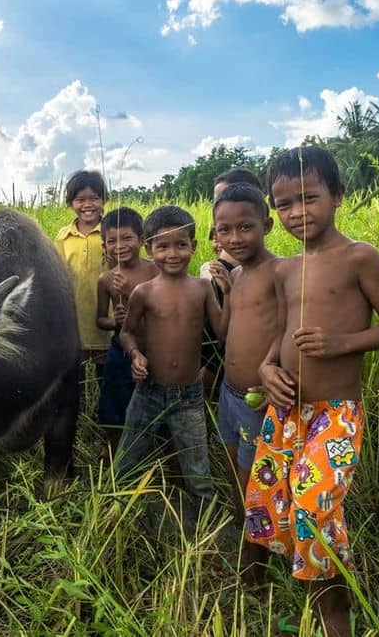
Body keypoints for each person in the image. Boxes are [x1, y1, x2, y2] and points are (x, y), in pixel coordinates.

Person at [244, 146, 379, 636]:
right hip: (286, 414)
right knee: (270, 504)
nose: (297, 213)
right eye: (284, 205)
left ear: (338, 195)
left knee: (314, 509)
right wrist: (267, 365)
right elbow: (281, 333)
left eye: (308, 198)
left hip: (334, 414)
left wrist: (342, 344)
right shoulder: (284, 270)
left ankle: (337, 619)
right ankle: (286, 598)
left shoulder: (360, 257)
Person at [115, 206, 228, 531]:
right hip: (148, 391)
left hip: (189, 397)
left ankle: (206, 535)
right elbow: (127, 332)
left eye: (181, 245)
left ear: (193, 246)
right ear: (149, 249)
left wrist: (229, 295)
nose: (172, 253)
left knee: (198, 471)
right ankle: (117, 522)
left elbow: (221, 333)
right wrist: (135, 355)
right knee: (127, 462)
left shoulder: (203, 288)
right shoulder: (144, 292)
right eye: (162, 247)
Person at [212, 183, 279, 518]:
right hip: (229, 391)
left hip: (258, 396)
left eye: (245, 227)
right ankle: (244, 524)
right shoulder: (235, 274)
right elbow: (224, 333)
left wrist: (278, 378)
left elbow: (291, 331)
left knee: (252, 473)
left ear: (266, 225)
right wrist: (225, 292)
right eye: (225, 230)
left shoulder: (280, 272)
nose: (234, 238)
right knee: (231, 459)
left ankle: (252, 543)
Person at [95, 207, 158, 456]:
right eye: (111, 240)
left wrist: (132, 292)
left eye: (127, 238)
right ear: (104, 245)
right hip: (120, 351)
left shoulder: (155, 270)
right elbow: (100, 319)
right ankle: (114, 448)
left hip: (153, 348)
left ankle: (151, 449)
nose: (119, 246)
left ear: (142, 240)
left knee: (152, 401)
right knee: (115, 402)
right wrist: (114, 320)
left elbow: (165, 310)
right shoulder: (106, 279)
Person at [200, 168, 264, 397]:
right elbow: (215, 334)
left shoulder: (271, 272)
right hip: (218, 381)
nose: (223, 205)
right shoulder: (216, 273)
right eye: (217, 199)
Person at [54, 170, 111, 386]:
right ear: (71, 203)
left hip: (106, 318)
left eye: (94, 198)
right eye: (80, 200)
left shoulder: (111, 232)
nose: (88, 205)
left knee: (105, 375)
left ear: (104, 200)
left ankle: (101, 414)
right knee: (73, 376)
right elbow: (58, 274)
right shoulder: (63, 236)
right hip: (74, 316)